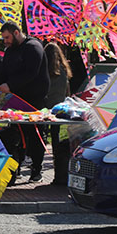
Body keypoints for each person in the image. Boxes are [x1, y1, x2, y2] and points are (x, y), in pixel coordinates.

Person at [0, 21, 50, 183]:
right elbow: (5, 72)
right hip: (14, 100)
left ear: (15, 33)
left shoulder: (33, 47)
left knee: (34, 134)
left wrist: (11, 85)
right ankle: (16, 168)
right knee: (14, 135)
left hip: (33, 101)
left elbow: (31, 73)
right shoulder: (10, 51)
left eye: (7, 37)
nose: (5, 41)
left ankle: (36, 169)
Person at [44, 42, 72, 185]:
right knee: (59, 143)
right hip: (60, 110)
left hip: (46, 110)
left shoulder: (45, 70)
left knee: (46, 138)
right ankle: (60, 174)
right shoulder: (63, 70)